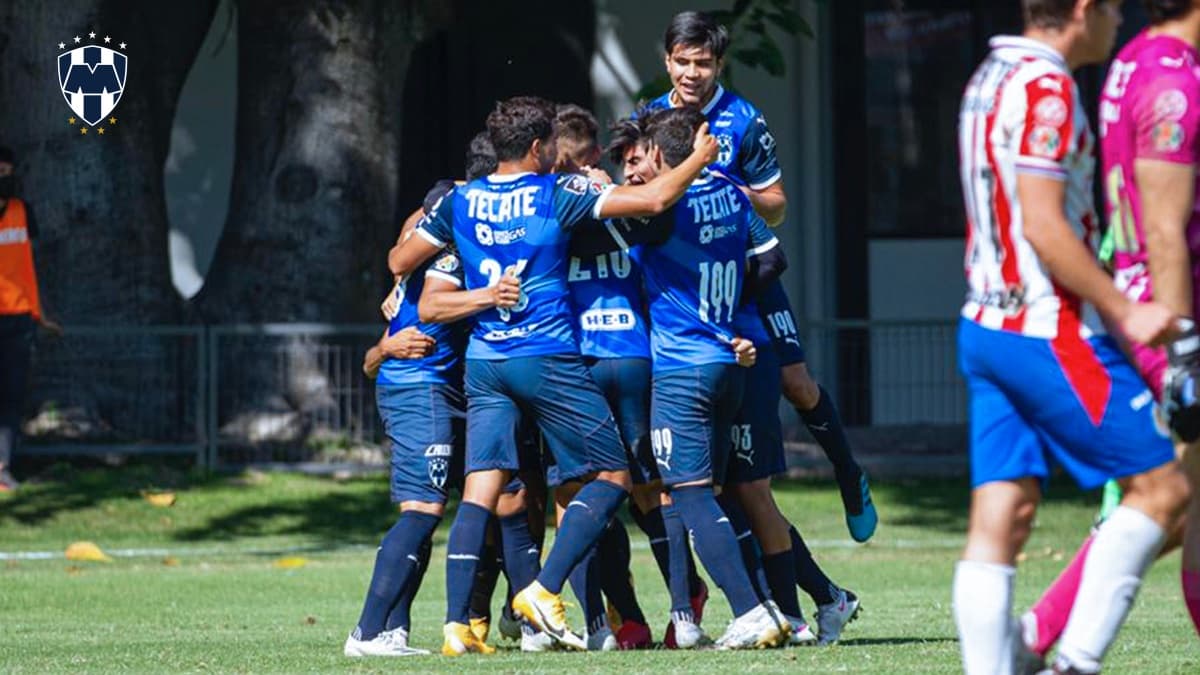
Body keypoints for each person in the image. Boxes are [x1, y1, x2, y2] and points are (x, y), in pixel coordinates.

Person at [387, 95, 719, 653]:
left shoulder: (460, 201)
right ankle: (543, 590)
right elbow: (655, 198)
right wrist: (699, 158)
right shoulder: (556, 192)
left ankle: (456, 626)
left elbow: (401, 264)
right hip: (545, 358)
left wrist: (479, 291)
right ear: (540, 148)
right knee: (612, 476)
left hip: (485, 362)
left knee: (481, 489)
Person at [954, 2, 1193, 673]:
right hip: (1046, 329)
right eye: (1112, 7)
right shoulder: (1047, 87)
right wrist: (1125, 308)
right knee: (1164, 489)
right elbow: (1043, 224)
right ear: (1083, 9)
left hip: (984, 322)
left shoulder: (990, 74)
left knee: (1002, 514)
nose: (1119, 18)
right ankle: (1074, 664)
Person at [644, 10, 877, 542]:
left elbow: (777, 205)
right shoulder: (650, 117)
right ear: (667, 61)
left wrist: (729, 192)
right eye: (682, 61)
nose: (692, 73)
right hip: (683, 282)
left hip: (748, 269)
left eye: (703, 63)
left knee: (796, 383)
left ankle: (848, 471)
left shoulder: (744, 120)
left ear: (720, 64)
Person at [1020, 0, 1200, 655]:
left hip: (1155, 306)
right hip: (1169, 315)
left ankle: (1037, 635)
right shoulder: (1173, 79)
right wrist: (1185, 351)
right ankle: (1050, 645)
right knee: (1168, 499)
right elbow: (1164, 228)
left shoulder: (1135, 60)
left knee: (1174, 504)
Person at [344, 179, 484, 658]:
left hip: (430, 392)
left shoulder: (420, 271)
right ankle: (365, 632)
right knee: (422, 511)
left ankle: (393, 631)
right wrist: (386, 348)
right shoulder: (443, 265)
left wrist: (383, 349)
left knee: (423, 511)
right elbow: (372, 359)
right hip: (421, 393)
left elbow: (370, 362)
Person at [0, 145, 59, 492]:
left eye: (6, 173)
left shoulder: (23, 212)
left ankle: (3, 467)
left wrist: (43, 312)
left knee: (11, 394)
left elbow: (31, 265)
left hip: (18, 316)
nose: (3, 178)